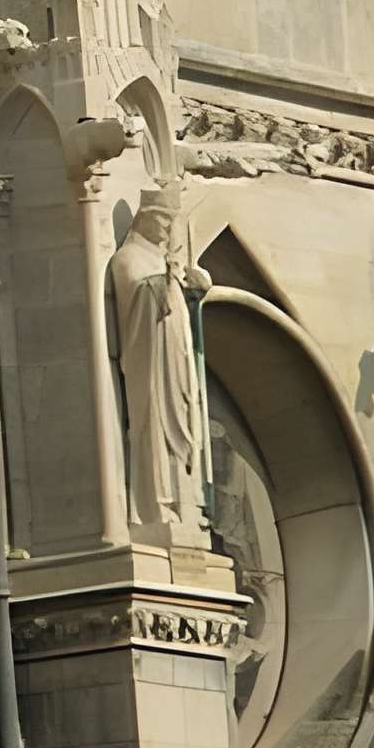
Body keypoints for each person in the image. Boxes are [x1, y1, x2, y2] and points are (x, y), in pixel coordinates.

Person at [106, 185, 210, 537]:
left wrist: (192, 287)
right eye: (164, 220)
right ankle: (157, 506)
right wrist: (166, 283)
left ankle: (189, 507)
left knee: (186, 422)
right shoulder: (128, 258)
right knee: (156, 425)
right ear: (146, 218)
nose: (168, 229)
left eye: (171, 221)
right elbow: (137, 306)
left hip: (177, 360)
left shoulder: (161, 260)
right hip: (152, 362)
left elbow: (178, 306)